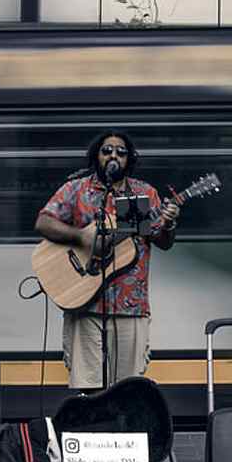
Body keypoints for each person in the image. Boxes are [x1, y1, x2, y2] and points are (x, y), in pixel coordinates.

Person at [35, 131, 180, 391]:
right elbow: (43, 222)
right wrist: (82, 237)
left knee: (127, 390)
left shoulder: (144, 193)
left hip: (130, 306)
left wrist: (168, 223)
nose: (114, 155)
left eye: (121, 152)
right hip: (84, 303)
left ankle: (123, 433)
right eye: (107, 150)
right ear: (97, 156)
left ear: (129, 159)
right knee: (88, 386)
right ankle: (92, 430)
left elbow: (164, 241)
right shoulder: (76, 189)